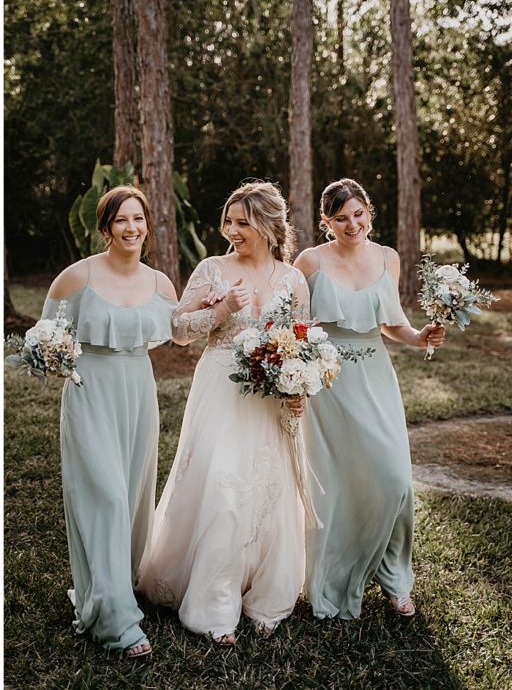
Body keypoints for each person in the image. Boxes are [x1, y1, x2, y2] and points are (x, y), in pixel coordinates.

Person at [137, 181, 311, 645]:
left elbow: (303, 340)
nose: (231, 230)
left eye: (242, 223)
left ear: (268, 226)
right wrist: (221, 311)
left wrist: (300, 390)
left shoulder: (292, 279)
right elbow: (178, 330)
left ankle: (264, 594)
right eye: (229, 221)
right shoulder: (213, 269)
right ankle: (213, 606)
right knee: (224, 486)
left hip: (270, 399)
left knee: (267, 489)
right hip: (220, 390)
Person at [294, 178, 445, 619]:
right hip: (327, 382)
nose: (352, 224)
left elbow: (389, 322)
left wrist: (419, 337)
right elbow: (293, 325)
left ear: (368, 212)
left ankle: (397, 580)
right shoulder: (309, 262)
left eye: (358, 214)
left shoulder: (387, 257)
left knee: (395, 479)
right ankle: (334, 573)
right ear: (326, 222)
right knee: (339, 485)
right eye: (341, 218)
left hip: (376, 376)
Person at [42, 186, 177, 659]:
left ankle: (115, 585)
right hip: (89, 393)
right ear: (105, 228)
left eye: (138, 218)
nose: (132, 228)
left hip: (138, 391)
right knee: (106, 496)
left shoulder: (161, 284)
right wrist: (54, 358)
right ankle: (116, 623)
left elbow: (177, 332)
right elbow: (47, 339)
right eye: (122, 220)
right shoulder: (75, 279)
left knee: (134, 497)